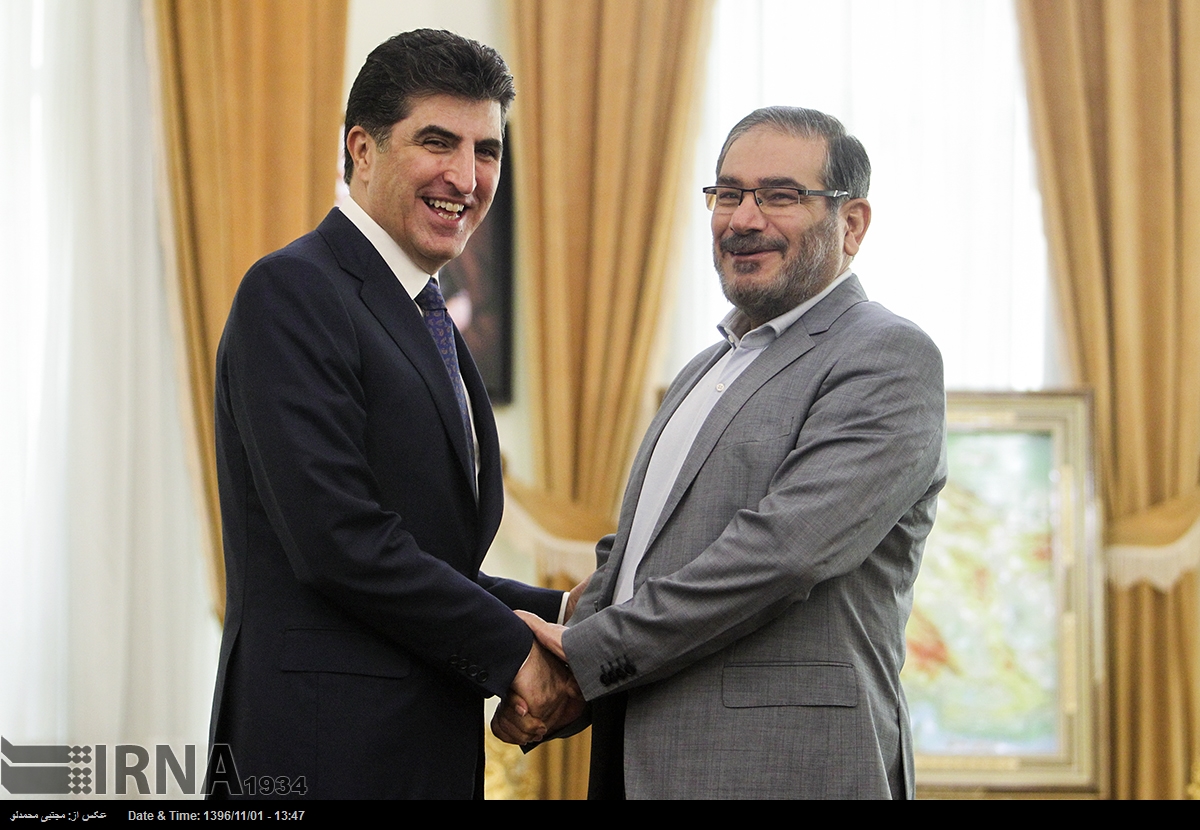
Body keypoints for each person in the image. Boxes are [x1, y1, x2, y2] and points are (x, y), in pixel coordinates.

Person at [495, 106, 947, 799]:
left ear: (851, 224)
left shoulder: (886, 354)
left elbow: (781, 553)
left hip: (783, 772)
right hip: (640, 760)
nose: (743, 218)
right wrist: (561, 656)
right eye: (728, 193)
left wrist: (582, 658)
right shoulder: (703, 368)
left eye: (780, 195)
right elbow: (638, 555)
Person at [206, 29, 578, 800]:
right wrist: (518, 655)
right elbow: (342, 542)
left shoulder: (422, 312)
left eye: (487, 150)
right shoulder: (294, 292)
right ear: (362, 150)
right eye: (436, 142)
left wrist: (575, 615)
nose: (465, 176)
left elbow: (428, 557)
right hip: (320, 753)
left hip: (415, 750)